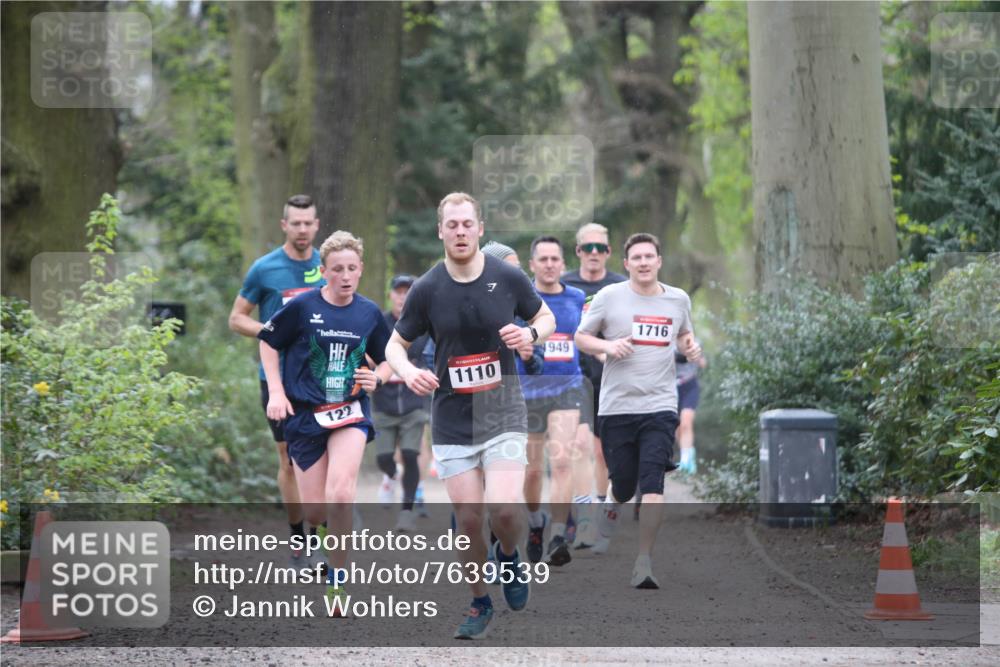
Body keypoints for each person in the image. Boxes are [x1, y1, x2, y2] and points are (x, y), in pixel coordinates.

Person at [385, 192, 556, 639]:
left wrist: (530, 334)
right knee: (468, 519)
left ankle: (510, 558)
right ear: (440, 231)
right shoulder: (427, 288)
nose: (460, 232)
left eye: (467, 224)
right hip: (452, 416)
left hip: (502, 409)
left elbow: (546, 317)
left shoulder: (507, 275)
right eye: (452, 225)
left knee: (503, 509)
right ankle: (480, 601)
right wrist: (407, 371)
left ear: (480, 228)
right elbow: (395, 344)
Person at [258, 230, 393, 611]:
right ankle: (321, 533)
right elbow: (267, 341)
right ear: (323, 271)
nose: (345, 276)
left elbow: (389, 357)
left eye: (351, 268)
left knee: (341, 494)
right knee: (316, 511)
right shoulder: (303, 307)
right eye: (337, 269)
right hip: (305, 416)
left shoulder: (368, 312)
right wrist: (277, 392)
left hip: (350, 413)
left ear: (361, 269)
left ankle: (337, 580)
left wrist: (378, 377)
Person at [575, 232, 702, 589]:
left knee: (653, 483)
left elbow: (684, 335)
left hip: (660, 406)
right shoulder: (609, 296)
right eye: (637, 258)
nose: (644, 262)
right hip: (617, 407)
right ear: (627, 264)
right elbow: (581, 338)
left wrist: (690, 347)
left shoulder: (678, 299)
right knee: (624, 484)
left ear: (659, 261)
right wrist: (608, 346)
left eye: (649, 256)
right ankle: (612, 503)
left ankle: (643, 562)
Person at [228, 194, 322, 562]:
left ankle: (319, 534)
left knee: (320, 459)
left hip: (320, 376)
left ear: (317, 225)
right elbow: (237, 318)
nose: (302, 229)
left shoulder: (328, 265)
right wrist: (269, 331)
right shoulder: (264, 269)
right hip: (276, 378)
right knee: (289, 460)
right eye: (295, 223)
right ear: (284, 225)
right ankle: (299, 538)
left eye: (308, 223)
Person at [522, 236, 587, 566]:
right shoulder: (521, 300)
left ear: (563, 264)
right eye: (543, 259)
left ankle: (559, 535)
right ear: (532, 264)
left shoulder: (577, 297)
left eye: (554, 259)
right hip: (529, 391)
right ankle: (536, 523)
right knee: (532, 472)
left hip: (567, 388)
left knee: (562, 462)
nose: (549, 264)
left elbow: (586, 336)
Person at [561, 222, 627, 548]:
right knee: (578, 446)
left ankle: (599, 514)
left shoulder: (621, 285)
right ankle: (581, 517)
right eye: (588, 247)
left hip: (612, 378)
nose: (594, 253)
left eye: (600, 248)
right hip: (574, 376)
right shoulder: (564, 284)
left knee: (602, 452)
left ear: (609, 252)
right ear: (578, 251)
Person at [373, 274, 432, 530]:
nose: (402, 297)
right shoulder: (378, 323)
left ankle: (407, 511)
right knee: (384, 458)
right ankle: (391, 475)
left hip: (414, 403)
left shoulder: (425, 325)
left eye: (408, 292)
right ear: (390, 295)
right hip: (383, 403)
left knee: (410, 454)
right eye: (398, 291)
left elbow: (432, 356)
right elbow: (368, 354)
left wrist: (424, 370)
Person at [675, 349, 707, 474]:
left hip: (689, 386)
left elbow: (703, 363)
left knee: (686, 421)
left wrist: (693, 355)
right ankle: (689, 453)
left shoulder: (693, 342)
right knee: (677, 426)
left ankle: (685, 460)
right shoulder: (667, 342)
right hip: (672, 388)